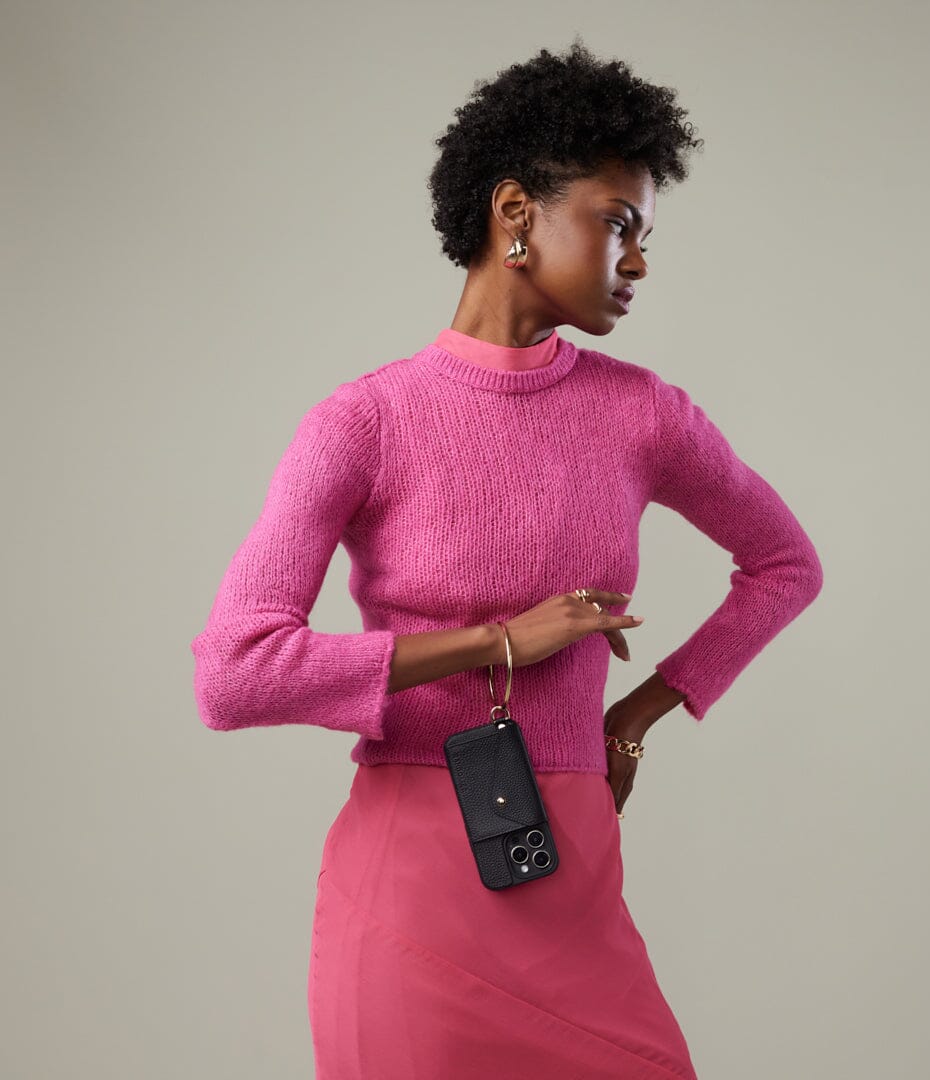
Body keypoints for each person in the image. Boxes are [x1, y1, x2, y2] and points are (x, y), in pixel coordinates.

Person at [189, 37, 823, 1079]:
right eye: (617, 223)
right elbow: (233, 673)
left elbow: (785, 564)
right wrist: (495, 643)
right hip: (412, 889)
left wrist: (635, 717)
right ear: (516, 212)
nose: (639, 260)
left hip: (570, 866)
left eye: (645, 234)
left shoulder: (644, 415)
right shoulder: (364, 422)